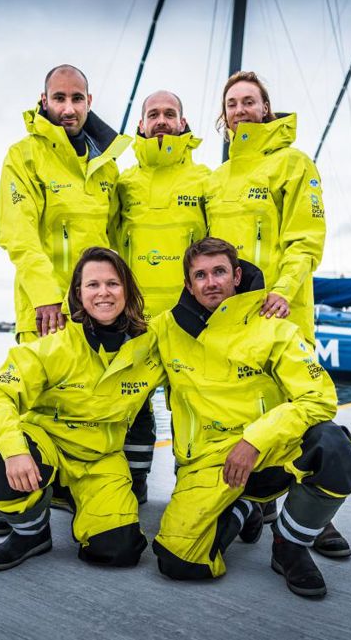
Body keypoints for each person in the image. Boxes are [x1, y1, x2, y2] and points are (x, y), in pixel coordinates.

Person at [149, 238, 351, 597]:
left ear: (236, 275)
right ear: (188, 285)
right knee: (178, 563)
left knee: (334, 448)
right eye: (200, 275)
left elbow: (319, 399)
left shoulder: (273, 325)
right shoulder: (164, 330)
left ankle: (289, 544)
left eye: (219, 271)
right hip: (208, 461)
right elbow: (117, 368)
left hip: (270, 451)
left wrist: (254, 440)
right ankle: (244, 508)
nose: (211, 282)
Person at [207, 71, 349, 556]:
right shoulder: (216, 179)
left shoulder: (294, 163)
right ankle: (263, 501)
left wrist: (284, 291)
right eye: (232, 103)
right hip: (233, 320)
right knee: (250, 410)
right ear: (224, 117)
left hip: (283, 310)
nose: (241, 109)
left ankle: (313, 514)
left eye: (250, 101)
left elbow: (305, 239)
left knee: (301, 410)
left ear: (266, 108)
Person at [0, 64, 131, 535]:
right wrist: (48, 296)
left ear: (89, 103)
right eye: (59, 98)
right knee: (35, 402)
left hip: (98, 309)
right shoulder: (24, 156)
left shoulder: (106, 165)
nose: (68, 108)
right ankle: (16, 497)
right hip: (44, 305)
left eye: (77, 99)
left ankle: (72, 488)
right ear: (43, 101)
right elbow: (18, 233)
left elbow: (115, 242)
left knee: (86, 398)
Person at [0, 247, 164, 571]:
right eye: (92, 285)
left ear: (128, 290)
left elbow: (200, 335)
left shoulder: (152, 346)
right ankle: (31, 533)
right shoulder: (53, 346)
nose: (103, 292)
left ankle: (74, 496)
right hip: (50, 447)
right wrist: (14, 451)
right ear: (78, 294)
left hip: (101, 459)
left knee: (120, 552)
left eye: (113, 284)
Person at [111, 90, 210, 503]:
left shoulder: (206, 180)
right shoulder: (123, 182)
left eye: (171, 114)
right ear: (141, 125)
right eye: (154, 114)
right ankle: (133, 483)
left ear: (183, 123)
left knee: (191, 407)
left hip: (188, 318)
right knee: (131, 405)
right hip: (135, 318)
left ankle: (194, 485)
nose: (162, 120)